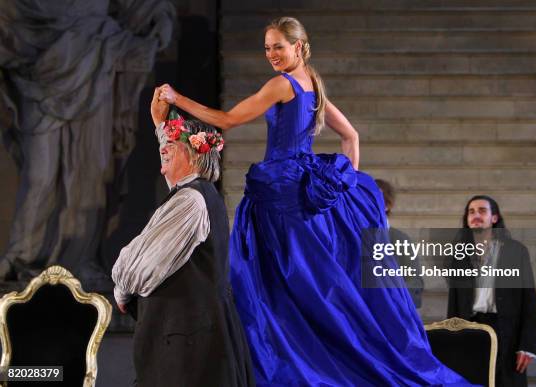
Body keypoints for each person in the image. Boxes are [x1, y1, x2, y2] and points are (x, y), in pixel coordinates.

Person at [158, 16, 473, 387]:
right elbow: (351, 137)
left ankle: (295, 367)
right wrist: (343, 188)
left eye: (278, 46)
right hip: (300, 190)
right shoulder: (314, 85)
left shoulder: (282, 84)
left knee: (275, 285)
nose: (271, 54)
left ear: (299, 46)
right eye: (267, 47)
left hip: (280, 194)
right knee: (305, 283)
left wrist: (177, 99)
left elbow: (226, 120)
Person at [0, 0, 174, 281]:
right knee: (39, 177)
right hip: (42, 71)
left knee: (89, 174)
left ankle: (81, 258)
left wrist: (159, 15)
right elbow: (17, 13)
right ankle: (22, 255)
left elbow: (137, 7)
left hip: (95, 60)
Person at [111, 90, 254, 387]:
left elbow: (141, 267)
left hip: (188, 350)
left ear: (191, 155)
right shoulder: (191, 195)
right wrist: (159, 123)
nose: (163, 154)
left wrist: (123, 287)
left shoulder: (190, 201)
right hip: (188, 343)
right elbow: (172, 148)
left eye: (170, 149)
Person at [447, 195, 536, 387]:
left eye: (482, 211)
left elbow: (529, 300)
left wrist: (526, 345)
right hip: (470, 329)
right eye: (471, 212)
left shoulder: (516, 251)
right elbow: (454, 300)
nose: (475, 216)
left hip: (506, 330)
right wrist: (452, 339)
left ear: (494, 218)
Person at [375, 178, 424, 308]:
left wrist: (391, 300)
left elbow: (414, 283)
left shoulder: (401, 240)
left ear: (387, 205)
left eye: (375, 198)